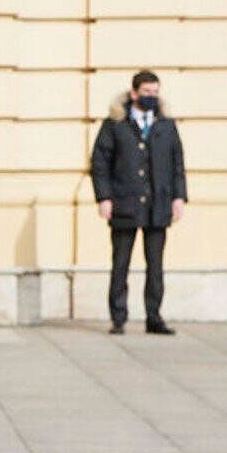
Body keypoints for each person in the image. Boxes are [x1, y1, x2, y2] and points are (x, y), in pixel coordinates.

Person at [90, 68, 185, 334]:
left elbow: (177, 163)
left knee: (155, 265)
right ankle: (118, 318)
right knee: (120, 263)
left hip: (158, 204)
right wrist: (104, 197)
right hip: (124, 202)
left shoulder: (166, 124)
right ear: (134, 93)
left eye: (155, 92)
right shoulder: (115, 124)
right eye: (146, 92)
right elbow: (100, 163)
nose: (151, 97)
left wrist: (179, 196)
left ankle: (154, 317)